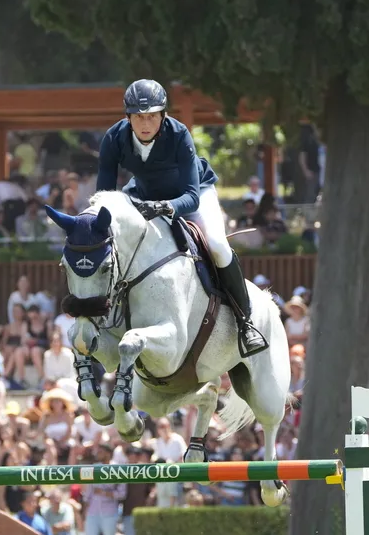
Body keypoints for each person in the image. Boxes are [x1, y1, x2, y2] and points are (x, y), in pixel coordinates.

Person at [94, 79, 268, 355]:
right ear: (128, 117)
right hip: (145, 194)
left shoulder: (179, 134)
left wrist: (165, 207)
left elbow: (191, 196)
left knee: (218, 246)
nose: (145, 124)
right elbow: (104, 195)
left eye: (152, 116)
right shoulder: (114, 138)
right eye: (139, 117)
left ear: (163, 115)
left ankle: (245, 323)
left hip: (193, 194)